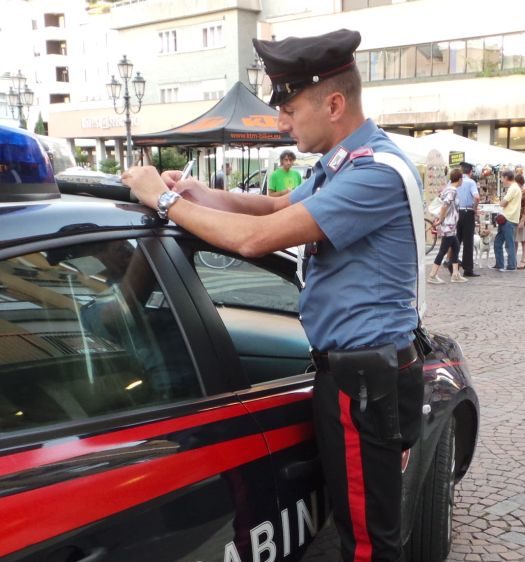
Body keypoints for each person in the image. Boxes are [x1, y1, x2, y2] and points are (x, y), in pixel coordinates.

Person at [121, 29, 424, 562]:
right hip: (356, 377)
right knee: (364, 531)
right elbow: (274, 207)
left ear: (333, 104)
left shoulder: (374, 173)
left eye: (288, 108)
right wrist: (201, 194)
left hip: (364, 382)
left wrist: (165, 199)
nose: (281, 123)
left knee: (369, 546)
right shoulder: (344, 166)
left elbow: (255, 238)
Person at [428, 168, 466, 284]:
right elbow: (445, 205)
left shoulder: (448, 189)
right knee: (443, 250)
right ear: (459, 179)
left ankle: (455, 274)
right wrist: (441, 219)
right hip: (448, 225)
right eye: (462, 179)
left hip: (450, 225)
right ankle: (433, 275)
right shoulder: (452, 191)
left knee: (456, 247)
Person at [456, 162, 481, 278]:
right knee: (468, 242)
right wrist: (474, 208)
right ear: (470, 172)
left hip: (456, 212)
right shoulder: (471, 182)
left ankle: (453, 265)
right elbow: (476, 197)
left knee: (456, 240)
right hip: (467, 212)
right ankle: (468, 269)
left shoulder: (455, 181)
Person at [492, 170, 520, 271]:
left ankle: (511, 265)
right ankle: (500, 264)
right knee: (498, 242)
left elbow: (503, 203)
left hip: (508, 218)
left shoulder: (513, 188)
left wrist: (499, 203)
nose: (501, 180)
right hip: (508, 219)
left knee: (509, 244)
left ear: (506, 178)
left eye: (502, 178)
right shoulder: (515, 187)